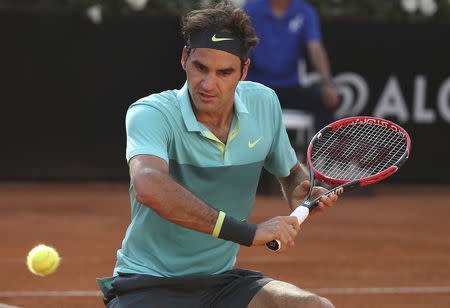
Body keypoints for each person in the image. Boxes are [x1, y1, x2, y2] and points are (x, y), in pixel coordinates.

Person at [96, 1, 338, 307]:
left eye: (224, 72)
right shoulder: (151, 112)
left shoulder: (264, 103)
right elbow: (149, 186)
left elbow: (290, 173)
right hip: (149, 284)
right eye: (201, 67)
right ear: (185, 58)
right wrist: (248, 232)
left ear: (244, 71)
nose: (208, 84)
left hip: (222, 283)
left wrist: (300, 190)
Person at [244, 0, 341, 134]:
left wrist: (327, 83)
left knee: (325, 101)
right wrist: (239, 80)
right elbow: (243, 46)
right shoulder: (252, 8)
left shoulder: (305, 11)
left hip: (290, 86)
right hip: (257, 86)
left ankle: (321, 153)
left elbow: (315, 48)